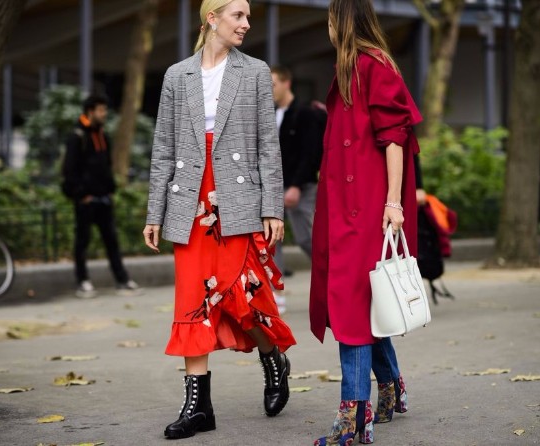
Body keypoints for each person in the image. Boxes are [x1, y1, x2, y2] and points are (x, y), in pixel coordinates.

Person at [142, 0, 296, 440]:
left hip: (239, 198)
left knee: (239, 295)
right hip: (188, 201)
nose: (247, 24)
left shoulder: (254, 73)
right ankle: (198, 406)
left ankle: (273, 357)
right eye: (238, 16)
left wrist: (271, 208)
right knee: (193, 297)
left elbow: (269, 145)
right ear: (212, 18)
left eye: (248, 17)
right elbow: (163, 150)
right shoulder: (177, 75)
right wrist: (156, 212)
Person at [310, 1, 422, 444]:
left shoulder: (373, 67)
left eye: (330, 19)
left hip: (369, 210)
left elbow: (395, 138)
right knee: (359, 305)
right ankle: (392, 387)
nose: (327, 27)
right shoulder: (348, 71)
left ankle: (354, 420)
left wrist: (393, 203)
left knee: (353, 308)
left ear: (342, 21)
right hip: (343, 209)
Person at [61, 95, 139, 297]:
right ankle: (83, 281)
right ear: (90, 111)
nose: (104, 114)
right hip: (86, 200)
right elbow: (69, 170)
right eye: (101, 110)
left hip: (104, 198)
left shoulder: (103, 136)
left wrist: (110, 190)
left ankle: (122, 280)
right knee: (82, 242)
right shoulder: (77, 136)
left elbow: (106, 166)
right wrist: (80, 194)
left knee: (112, 241)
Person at [270, 65, 325, 313]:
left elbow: (311, 153)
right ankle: (275, 294)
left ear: (286, 83)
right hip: (272, 186)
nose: (269, 90)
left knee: (307, 239)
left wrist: (295, 186)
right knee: (272, 241)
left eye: (273, 84)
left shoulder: (306, 113)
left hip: (300, 187)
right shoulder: (268, 114)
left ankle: (334, 281)